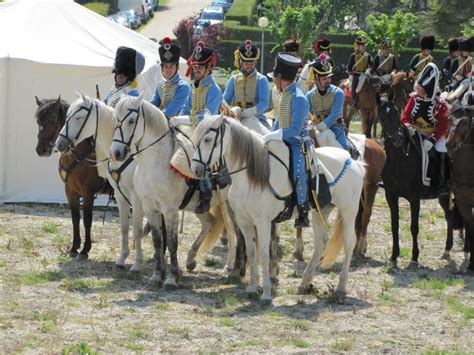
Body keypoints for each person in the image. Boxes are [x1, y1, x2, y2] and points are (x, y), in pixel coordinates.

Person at [170, 41, 222, 214]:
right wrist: (179, 119)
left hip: (207, 131)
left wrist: (185, 119)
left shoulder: (214, 90)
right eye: (195, 67)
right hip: (191, 128)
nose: (196, 70)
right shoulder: (194, 87)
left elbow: (207, 116)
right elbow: (186, 108)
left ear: (209, 68)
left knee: (201, 155)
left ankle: (205, 193)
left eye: (200, 67)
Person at [262, 52, 311, 228]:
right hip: (282, 140)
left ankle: (303, 210)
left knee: (298, 172)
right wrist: (269, 137)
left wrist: (274, 135)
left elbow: (295, 130)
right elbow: (279, 121)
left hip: (298, 143)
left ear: (281, 77)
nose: (273, 81)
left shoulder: (299, 98)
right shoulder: (282, 94)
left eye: (274, 78)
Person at [401, 63, 449, 191]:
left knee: (442, 148)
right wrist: (407, 125)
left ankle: (442, 182)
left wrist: (433, 139)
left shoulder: (440, 104)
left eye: (421, 90)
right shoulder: (414, 98)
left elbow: (443, 126)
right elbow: (405, 115)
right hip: (414, 132)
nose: (418, 92)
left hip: (433, 135)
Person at [223, 39, 270, 129]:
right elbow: (226, 98)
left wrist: (250, 112)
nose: (249, 66)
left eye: (251, 63)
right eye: (246, 63)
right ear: (241, 63)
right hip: (235, 115)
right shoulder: (233, 78)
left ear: (255, 63)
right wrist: (229, 111)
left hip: (256, 116)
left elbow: (264, 102)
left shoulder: (262, 79)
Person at [306, 53, 348, 150]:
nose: (328, 80)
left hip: (336, 127)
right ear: (316, 79)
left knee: (344, 148)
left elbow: (335, 114)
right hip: (315, 127)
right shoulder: (309, 95)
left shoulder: (338, 93)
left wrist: (319, 127)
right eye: (324, 78)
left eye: (329, 77)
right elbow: (306, 113)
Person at [150, 37, 190, 118]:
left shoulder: (183, 87)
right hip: (160, 121)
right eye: (165, 67)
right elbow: (153, 104)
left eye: (171, 66)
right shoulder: (160, 85)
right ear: (162, 68)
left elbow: (170, 112)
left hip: (177, 125)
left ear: (177, 67)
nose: (168, 70)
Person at [347, 34, 373, 108]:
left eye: (364, 45)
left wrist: (370, 69)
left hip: (365, 74)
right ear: (358, 46)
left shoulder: (368, 56)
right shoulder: (353, 55)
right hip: (356, 75)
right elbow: (349, 67)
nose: (363, 46)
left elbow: (372, 65)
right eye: (362, 45)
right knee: (355, 86)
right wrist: (350, 74)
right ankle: (354, 101)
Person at [449, 36, 473, 100]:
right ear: (462, 50)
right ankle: (453, 98)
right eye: (467, 50)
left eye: (469, 50)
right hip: (459, 83)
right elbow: (451, 75)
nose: (468, 52)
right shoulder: (456, 61)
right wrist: (457, 77)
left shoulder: (471, 60)